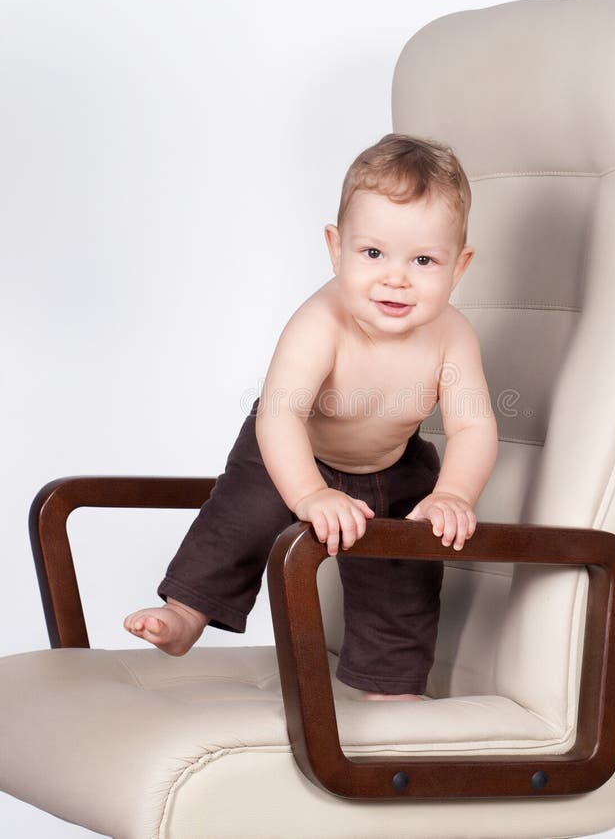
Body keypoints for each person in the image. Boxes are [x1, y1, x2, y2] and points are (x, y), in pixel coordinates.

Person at [124, 133, 498, 700]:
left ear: (459, 267)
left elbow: (473, 426)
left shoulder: (452, 336)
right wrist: (308, 495)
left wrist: (454, 494)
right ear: (336, 248)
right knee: (243, 514)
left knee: (406, 559)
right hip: (294, 444)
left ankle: (390, 682)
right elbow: (280, 417)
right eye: (373, 253)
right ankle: (187, 612)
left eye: (423, 260)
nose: (395, 278)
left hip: (392, 465)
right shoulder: (320, 322)